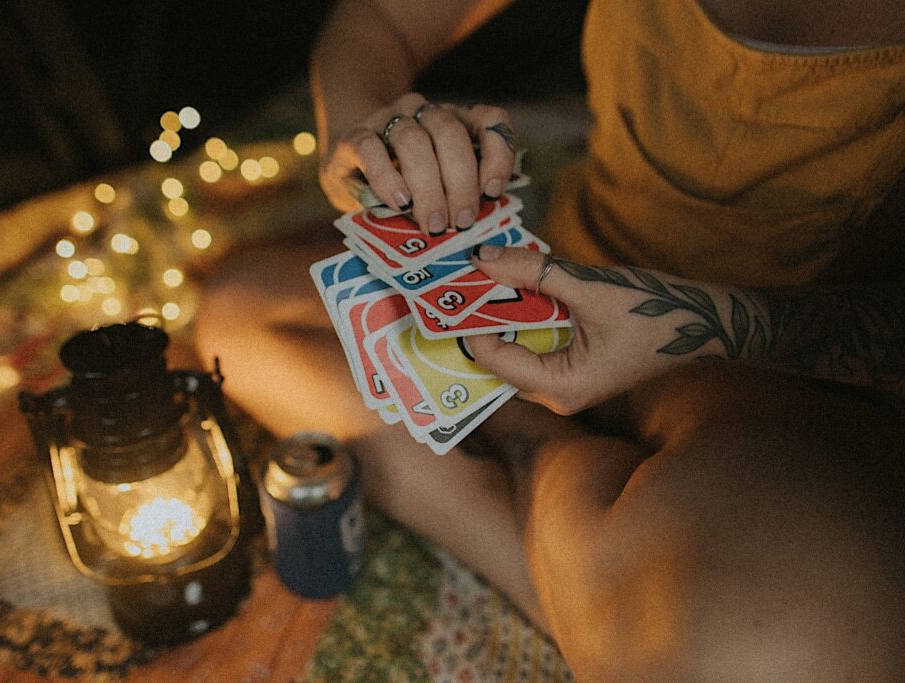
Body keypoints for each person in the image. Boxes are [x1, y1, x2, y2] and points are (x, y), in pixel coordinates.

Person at [196, 0, 905, 679]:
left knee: (804, 636)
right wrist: (365, 133)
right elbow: (378, 21)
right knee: (238, 314)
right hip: (560, 283)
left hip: (787, 380)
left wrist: (699, 326)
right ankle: (570, 557)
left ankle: (540, 476)